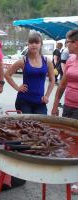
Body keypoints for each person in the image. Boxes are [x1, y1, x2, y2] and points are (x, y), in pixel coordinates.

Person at [51, 30, 78, 195]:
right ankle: (68, 172)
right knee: (66, 139)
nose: (66, 45)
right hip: (68, 106)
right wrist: (55, 105)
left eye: (68, 42)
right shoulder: (71, 60)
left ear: (76, 43)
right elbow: (62, 85)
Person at [5, 32, 55, 114]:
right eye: (31, 43)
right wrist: (17, 88)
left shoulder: (47, 61)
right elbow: (7, 74)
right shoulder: (23, 61)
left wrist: (47, 96)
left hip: (40, 101)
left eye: (36, 42)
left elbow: (52, 80)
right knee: (26, 125)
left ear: (41, 44)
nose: (34, 45)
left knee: (41, 124)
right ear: (27, 45)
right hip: (24, 100)